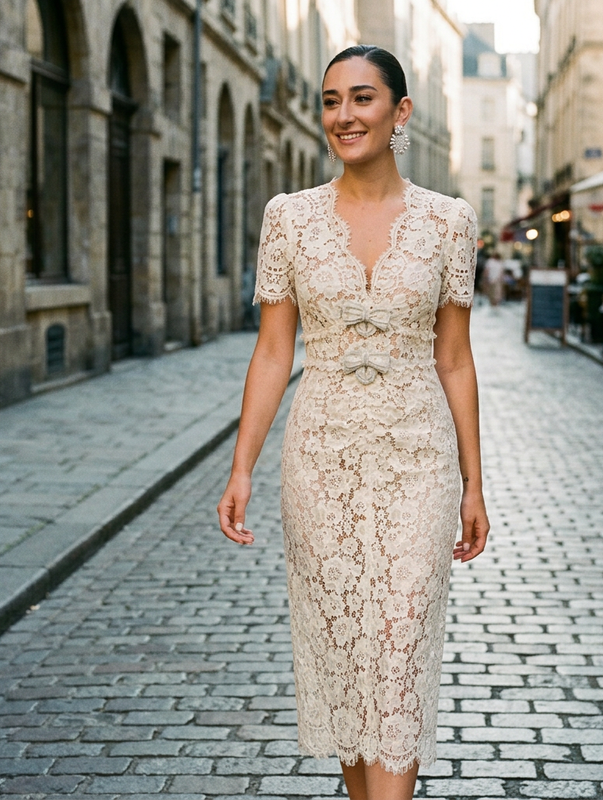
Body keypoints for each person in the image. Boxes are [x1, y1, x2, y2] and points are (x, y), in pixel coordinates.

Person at [217, 45, 489, 800]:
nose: (345, 115)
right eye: (332, 101)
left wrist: (473, 482)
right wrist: (241, 468)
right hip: (320, 453)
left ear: (401, 112)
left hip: (417, 458)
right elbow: (274, 353)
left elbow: (456, 360)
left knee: (398, 651)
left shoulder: (449, 221)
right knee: (343, 655)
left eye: (363, 99)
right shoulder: (290, 218)